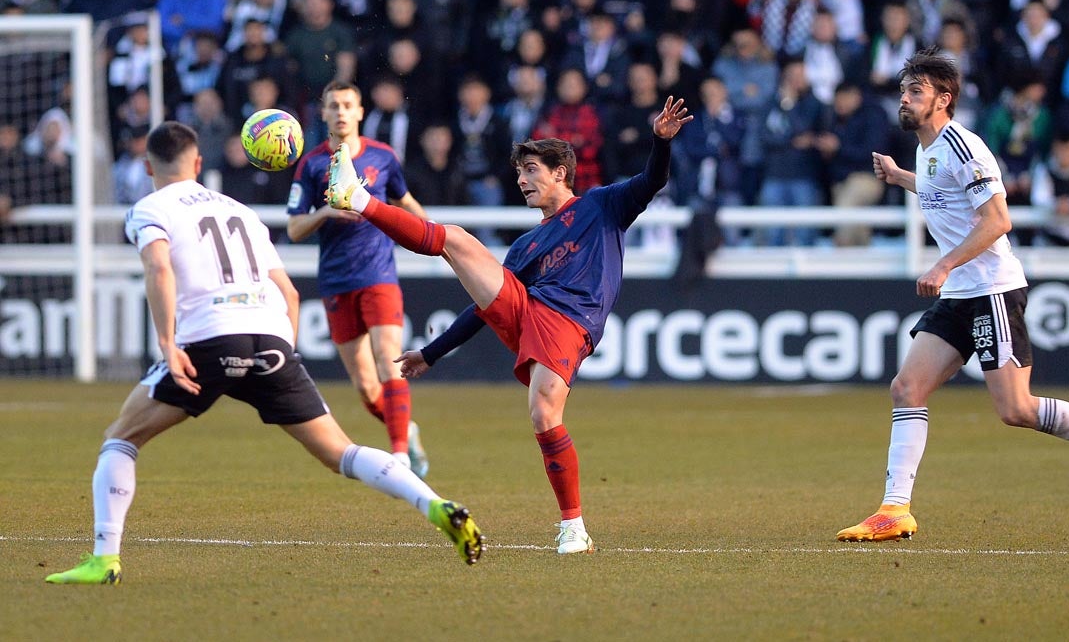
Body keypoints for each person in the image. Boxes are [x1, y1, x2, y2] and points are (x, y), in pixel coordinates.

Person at [44, 121, 483, 585]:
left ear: (149, 166)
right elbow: (289, 293)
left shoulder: (149, 207)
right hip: (270, 339)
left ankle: (104, 559)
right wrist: (281, 360)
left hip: (209, 339)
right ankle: (434, 503)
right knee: (342, 452)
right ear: (198, 164)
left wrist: (169, 344)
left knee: (121, 437)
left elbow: (158, 268)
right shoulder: (241, 211)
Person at [322, 96, 693, 554]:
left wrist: (660, 141)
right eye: (519, 173)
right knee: (455, 238)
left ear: (561, 172)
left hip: (570, 320)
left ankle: (573, 528)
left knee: (543, 414)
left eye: (532, 169)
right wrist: (430, 353)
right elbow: (484, 307)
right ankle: (358, 198)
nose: (522, 180)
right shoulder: (524, 246)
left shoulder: (601, 206)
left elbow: (652, 181)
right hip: (527, 314)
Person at [836, 49, 1069, 543]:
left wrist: (944, 263)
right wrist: (902, 177)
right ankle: (894, 509)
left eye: (916, 92)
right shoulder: (927, 151)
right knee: (907, 388)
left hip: (991, 290)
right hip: (961, 294)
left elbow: (998, 220)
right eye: (904, 91)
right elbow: (939, 191)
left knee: (1016, 410)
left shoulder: (964, 146)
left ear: (943, 100)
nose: (904, 100)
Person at [287, 82, 430, 479]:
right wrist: (326, 213)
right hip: (336, 280)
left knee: (389, 359)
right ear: (324, 114)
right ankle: (408, 430)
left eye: (348, 104)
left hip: (379, 272)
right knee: (368, 387)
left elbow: (404, 201)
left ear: (361, 112)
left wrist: (434, 233)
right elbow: (295, 228)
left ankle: (399, 454)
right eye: (334, 105)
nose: (341, 112)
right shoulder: (312, 164)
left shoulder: (384, 158)